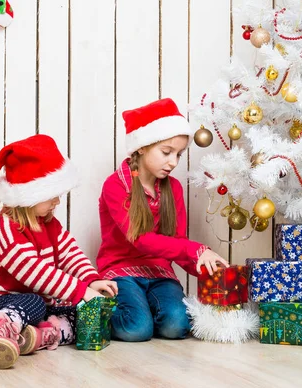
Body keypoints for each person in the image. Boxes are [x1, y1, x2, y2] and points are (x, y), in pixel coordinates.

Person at [0, 134, 116, 369]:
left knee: (77, 312)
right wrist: (81, 290)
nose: (57, 202)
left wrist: (92, 280)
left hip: (38, 301)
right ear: (31, 195)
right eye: (52, 195)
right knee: (35, 302)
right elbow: (34, 272)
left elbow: (70, 253)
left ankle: (33, 336)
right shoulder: (5, 228)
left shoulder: (48, 223)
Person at [96, 98, 228, 342]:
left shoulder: (172, 188)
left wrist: (204, 268)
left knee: (177, 326)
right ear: (142, 147)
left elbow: (177, 243)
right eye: (167, 152)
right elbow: (141, 240)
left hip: (159, 273)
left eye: (178, 154)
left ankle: (146, 309)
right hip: (121, 272)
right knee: (136, 329)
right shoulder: (116, 185)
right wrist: (198, 250)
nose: (173, 162)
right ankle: (104, 311)